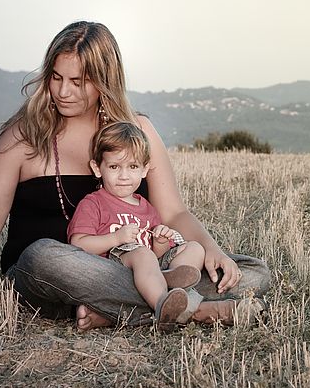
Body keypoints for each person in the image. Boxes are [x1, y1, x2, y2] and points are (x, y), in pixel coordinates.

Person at [0, 21, 271, 330]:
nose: (63, 91)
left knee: (251, 272)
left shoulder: (137, 132)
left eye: (78, 81)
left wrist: (213, 250)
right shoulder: (21, 139)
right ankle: (180, 307)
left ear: (103, 81)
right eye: (56, 78)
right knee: (42, 255)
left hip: (132, 267)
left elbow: (174, 213)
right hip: (47, 276)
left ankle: (122, 311)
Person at [67, 121, 207, 331]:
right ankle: (162, 305)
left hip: (151, 270)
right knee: (142, 254)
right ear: (98, 168)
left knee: (195, 248)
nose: (124, 176)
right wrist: (115, 239)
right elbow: (78, 245)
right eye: (114, 167)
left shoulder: (147, 207)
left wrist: (160, 241)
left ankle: (172, 280)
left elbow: (157, 253)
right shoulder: (93, 203)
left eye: (133, 167)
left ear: (144, 169)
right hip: (116, 272)